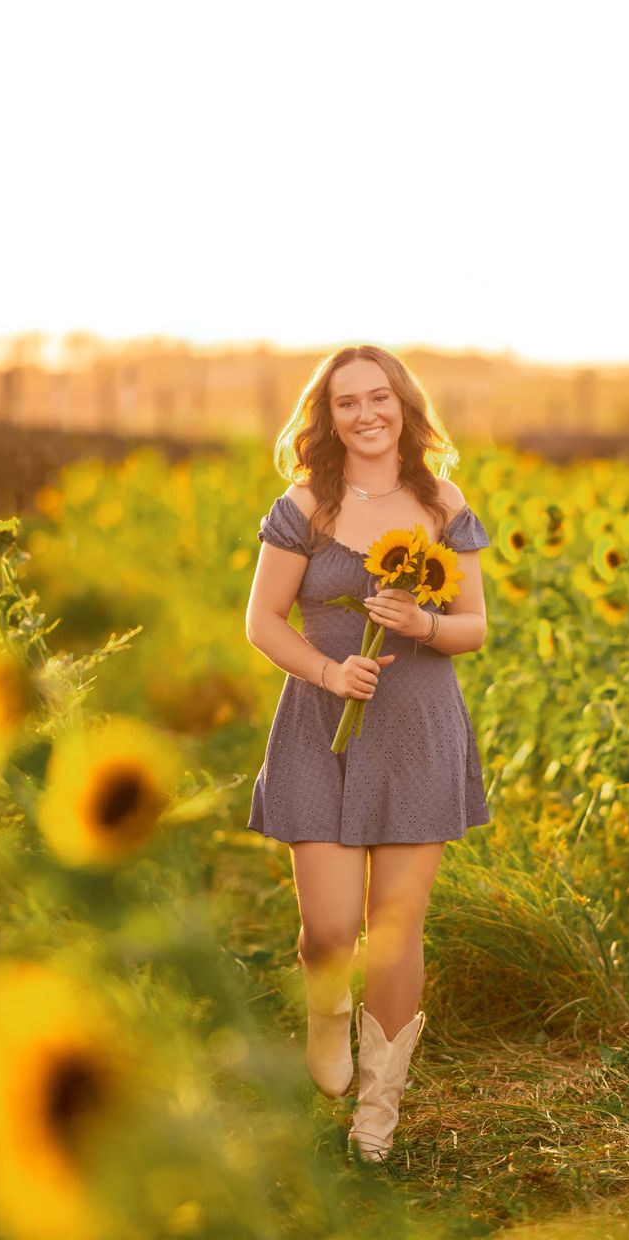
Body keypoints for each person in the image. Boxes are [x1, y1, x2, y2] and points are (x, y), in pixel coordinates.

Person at [243, 345, 493, 1163]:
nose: (365, 414)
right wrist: (326, 669)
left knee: (393, 924)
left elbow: (474, 626)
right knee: (331, 927)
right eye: (346, 401)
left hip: (417, 728)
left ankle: (378, 1109)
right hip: (320, 724)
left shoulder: (440, 500)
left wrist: (424, 626)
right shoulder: (305, 505)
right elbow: (264, 621)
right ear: (329, 415)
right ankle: (326, 1012)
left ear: (402, 404)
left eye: (378, 397)